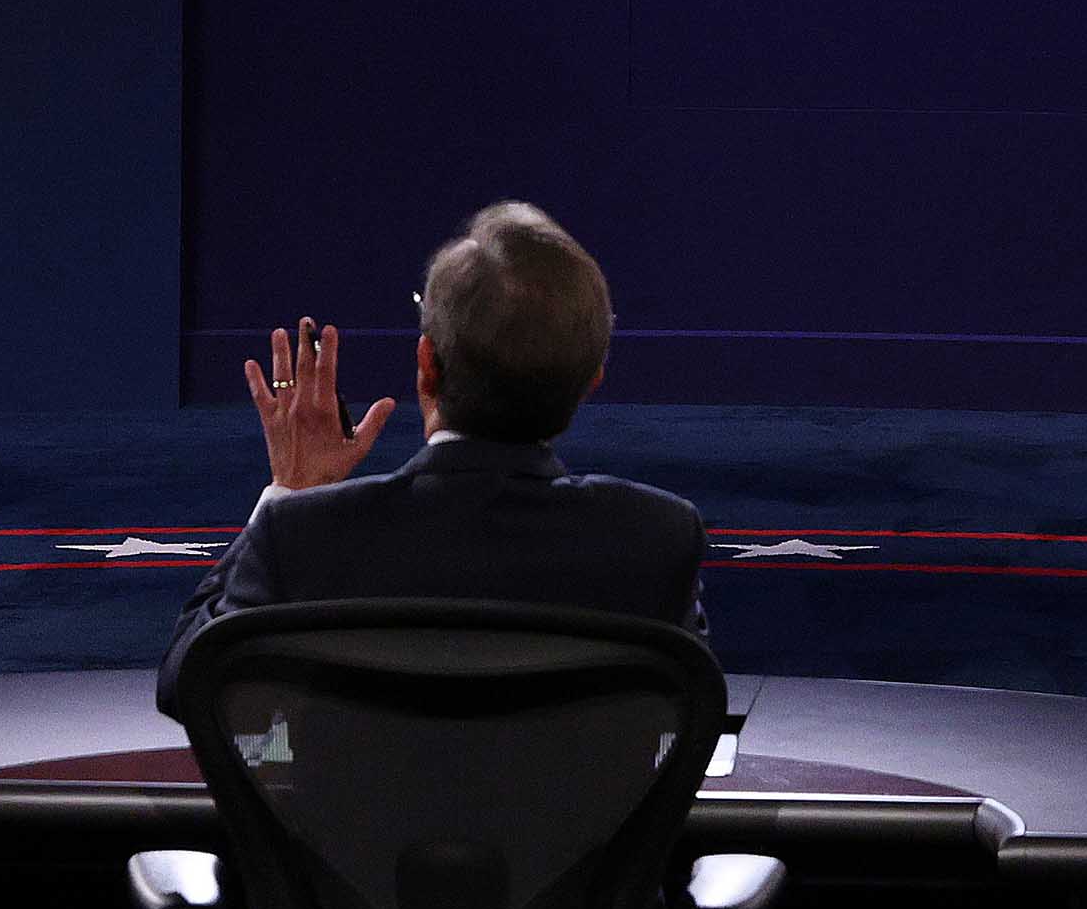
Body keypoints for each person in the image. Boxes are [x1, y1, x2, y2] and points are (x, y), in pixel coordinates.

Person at [157, 202, 709, 716]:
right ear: (591, 381)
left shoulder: (304, 534)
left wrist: (291, 488)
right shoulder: (656, 539)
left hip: (354, 823)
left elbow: (188, 684)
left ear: (426, 366)